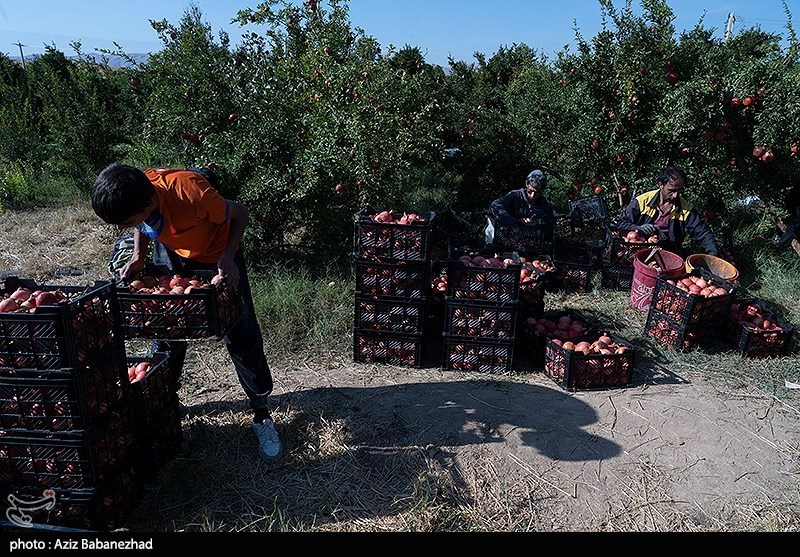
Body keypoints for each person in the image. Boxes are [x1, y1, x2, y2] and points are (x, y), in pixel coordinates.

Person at [91, 163, 282, 464]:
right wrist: (139, 254)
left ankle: (261, 414)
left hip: (216, 254)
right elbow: (141, 224)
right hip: (172, 251)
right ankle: (164, 405)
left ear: (149, 203)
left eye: (126, 221)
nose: (121, 229)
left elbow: (240, 213)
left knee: (240, 331)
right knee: (166, 328)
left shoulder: (191, 193)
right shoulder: (138, 188)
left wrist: (228, 257)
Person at [615, 166, 719, 257]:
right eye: (672, 190)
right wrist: (639, 229)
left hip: (668, 254)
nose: (676, 195)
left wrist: (713, 254)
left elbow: (703, 233)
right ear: (661, 185)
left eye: (679, 190)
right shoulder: (642, 201)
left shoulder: (686, 209)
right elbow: (621, 223)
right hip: (638, 251)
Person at [486, 169, 556, 247]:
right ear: (527, 184)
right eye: (530, 191)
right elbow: (495, 206)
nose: (532, 196)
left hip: (528, 245)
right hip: (505, 239)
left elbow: (549, 232)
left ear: (542, 191)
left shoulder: (545, 207)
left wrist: (535, 223)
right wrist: (515, 222)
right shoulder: (515, 196)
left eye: (537, 193)